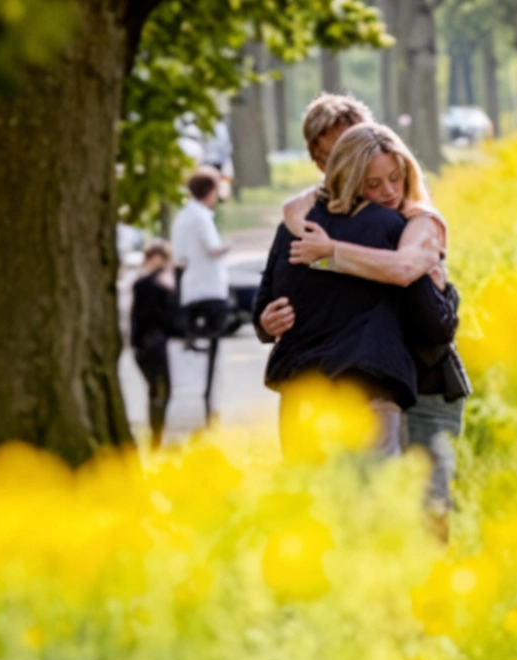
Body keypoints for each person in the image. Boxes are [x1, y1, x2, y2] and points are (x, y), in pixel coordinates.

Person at [261, 115, 470, 525]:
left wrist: (329, 252)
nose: (387, 191)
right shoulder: (322, 220)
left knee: (422, 516)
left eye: (394, 178)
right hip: (381, 381)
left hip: (426, 381)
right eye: (373, 183)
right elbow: (290, 221)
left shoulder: (415, 220)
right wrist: (267, 321)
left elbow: (410, 275)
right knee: (388, 515)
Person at [171, 166, 231, 424]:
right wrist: (228, 246)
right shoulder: (203, 217)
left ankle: (199, 402)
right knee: (213, 349)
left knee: (195, 348)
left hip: (190, 290)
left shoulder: (182, 217)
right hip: (210, 289)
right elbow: (213, 248)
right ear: (210, 191)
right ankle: (208, 404)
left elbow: (179, 257)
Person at [130, 241, 179, 450]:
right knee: (160, 390)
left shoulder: (152, 282)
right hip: (150, 344)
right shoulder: (149, 284)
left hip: (148, 344)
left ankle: (156, 437)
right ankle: (155, 439)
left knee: (159, 391)